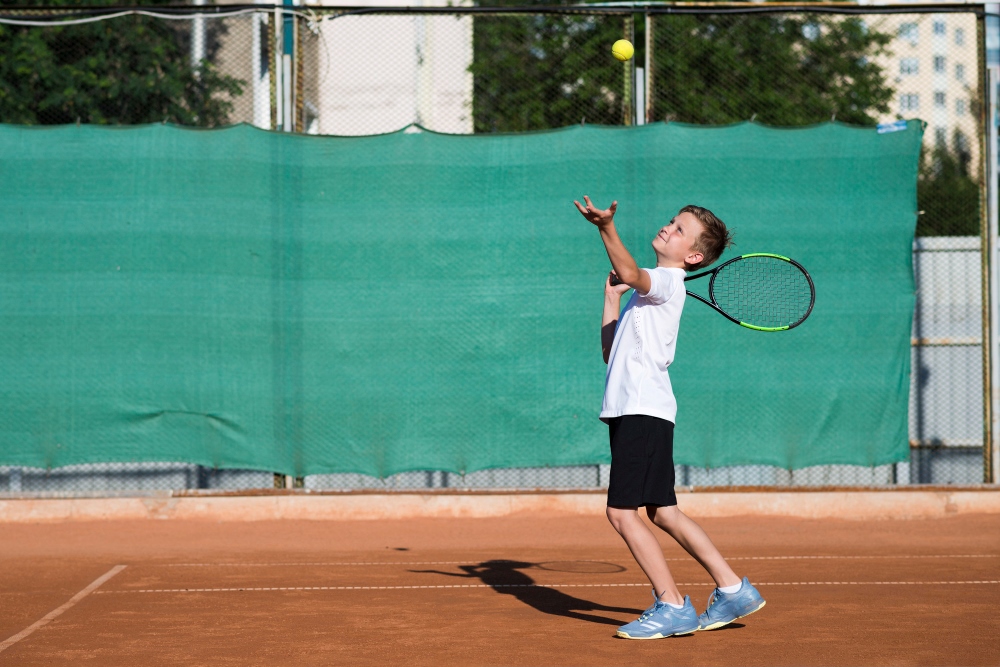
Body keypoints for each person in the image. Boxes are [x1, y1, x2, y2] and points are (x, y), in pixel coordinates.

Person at [572, 195, 765, 640]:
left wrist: (605, 227)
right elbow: (611, 352)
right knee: (664, 512)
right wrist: (610, 298)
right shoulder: (651, 293)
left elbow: (631, 272)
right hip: (644, 410)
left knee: (622, 514)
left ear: (693, 257)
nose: (668, 228)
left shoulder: (664, 281)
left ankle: (673, 605)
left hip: (641, 410)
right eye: (672, 222)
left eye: (680, 230)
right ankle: (733, 589)